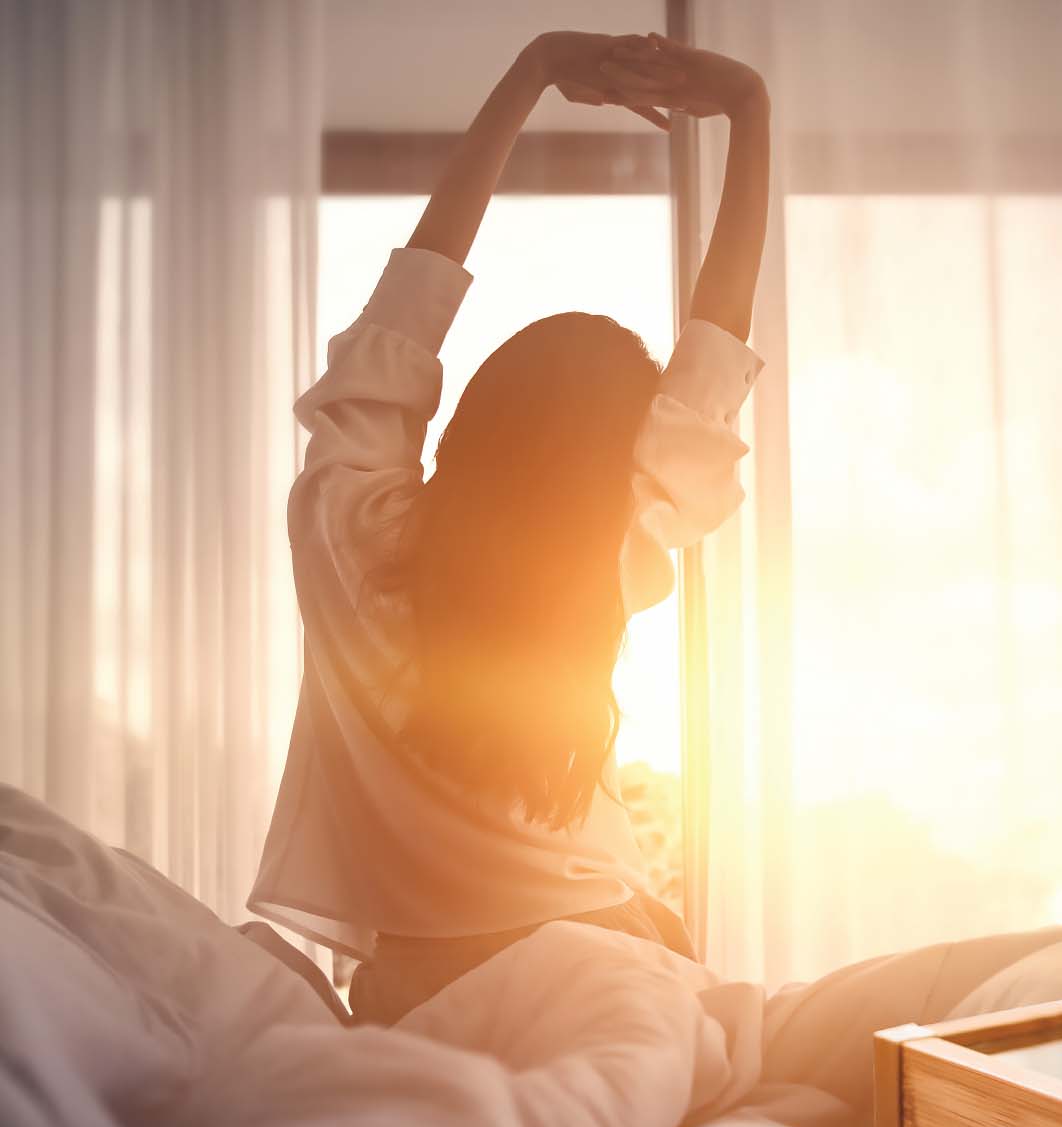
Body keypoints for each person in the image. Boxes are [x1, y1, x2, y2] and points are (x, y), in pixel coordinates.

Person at [247, 30, 772, 1026]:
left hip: (419, 982)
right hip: (610, 950)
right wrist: (748, 108)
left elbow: (408, 306)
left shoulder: (346, 531)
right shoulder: (607, 557)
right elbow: (714, 352)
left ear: (475, 416)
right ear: (610, 466)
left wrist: (530, 73)